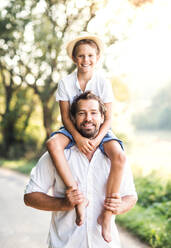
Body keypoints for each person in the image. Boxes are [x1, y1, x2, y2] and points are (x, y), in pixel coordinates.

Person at [24, 91, 137, 248]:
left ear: (103, 118)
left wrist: (120, 206)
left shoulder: (115, 156)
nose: (88, 118)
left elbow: (130, 196)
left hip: (105, 245)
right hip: (65, 244)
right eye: (82, 113)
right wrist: (64, 203)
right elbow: (30, 197)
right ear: (72, 118)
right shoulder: (56, 156)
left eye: (93, 113)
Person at [46, 33, 125, 242]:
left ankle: (107, 215)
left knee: (119, 156)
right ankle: (76, 196)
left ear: (97, 57)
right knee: (53, 144)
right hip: (72, 128)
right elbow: (65, 116)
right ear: (74, 58)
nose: (85, 60)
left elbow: (108, 118)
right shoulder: (65, 82)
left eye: (90, 55)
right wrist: (78, 139)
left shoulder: (103, 82)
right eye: (81, 56)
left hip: (100, 130)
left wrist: (97, 140)